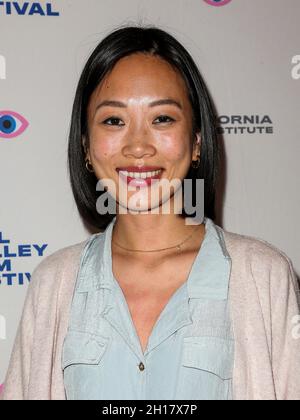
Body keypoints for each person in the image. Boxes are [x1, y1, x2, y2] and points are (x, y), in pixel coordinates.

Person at [1, 25, 300, 400]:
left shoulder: (263, 276)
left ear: (196, 142)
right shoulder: (54, 284)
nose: (138, 146)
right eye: (114, 121)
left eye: (162, 119)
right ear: (85, 145)